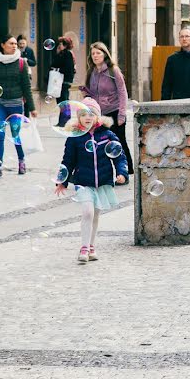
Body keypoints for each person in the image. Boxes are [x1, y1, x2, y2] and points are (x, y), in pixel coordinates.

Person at [55, 97, 129, 264]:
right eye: (84, 114)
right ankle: (84, 247)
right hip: (83, 181)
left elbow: (119, 155)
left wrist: (122, 172)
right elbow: (68, 161)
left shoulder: (107, 134)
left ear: (98, 116)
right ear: (79, 117)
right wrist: (62, 181)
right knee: (87, 212)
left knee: (95, 215)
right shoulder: (74, 137)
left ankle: (91, 246)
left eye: (92, 114)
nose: (88, 117)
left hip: (102, 181)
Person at [0, 34, 37, 179]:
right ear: (2, 45)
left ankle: (21, 160)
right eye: (11, 43)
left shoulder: (21, 63)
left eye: (15, 44)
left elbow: (26, 86)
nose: (14, 46)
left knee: (15, 135)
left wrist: (32, 108)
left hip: (16, 104)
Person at [80, 42, 133, 176]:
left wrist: (122, 114)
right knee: (102, 144)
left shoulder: (112, 70)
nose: (95, 56)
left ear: (104, 54)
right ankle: (105, 173)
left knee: (119, 142)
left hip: (114, 112)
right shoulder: (91, 72)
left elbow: (122, 92)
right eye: (93, 53)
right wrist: (86, 92)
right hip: (99, 115)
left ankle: (126, 171)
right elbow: (92, 93)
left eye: (98, 53)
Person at [51, 36, 76, 126]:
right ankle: (62, 121)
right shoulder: (62, 53)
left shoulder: (68, 54)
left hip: (64, 81)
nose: (59, 45)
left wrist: (58, 69)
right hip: (59, 80)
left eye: (61, 44)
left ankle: (65, 121)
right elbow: (53, 64)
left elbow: (68, 68)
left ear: (65, 45)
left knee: (63, 101)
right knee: (61, 101)